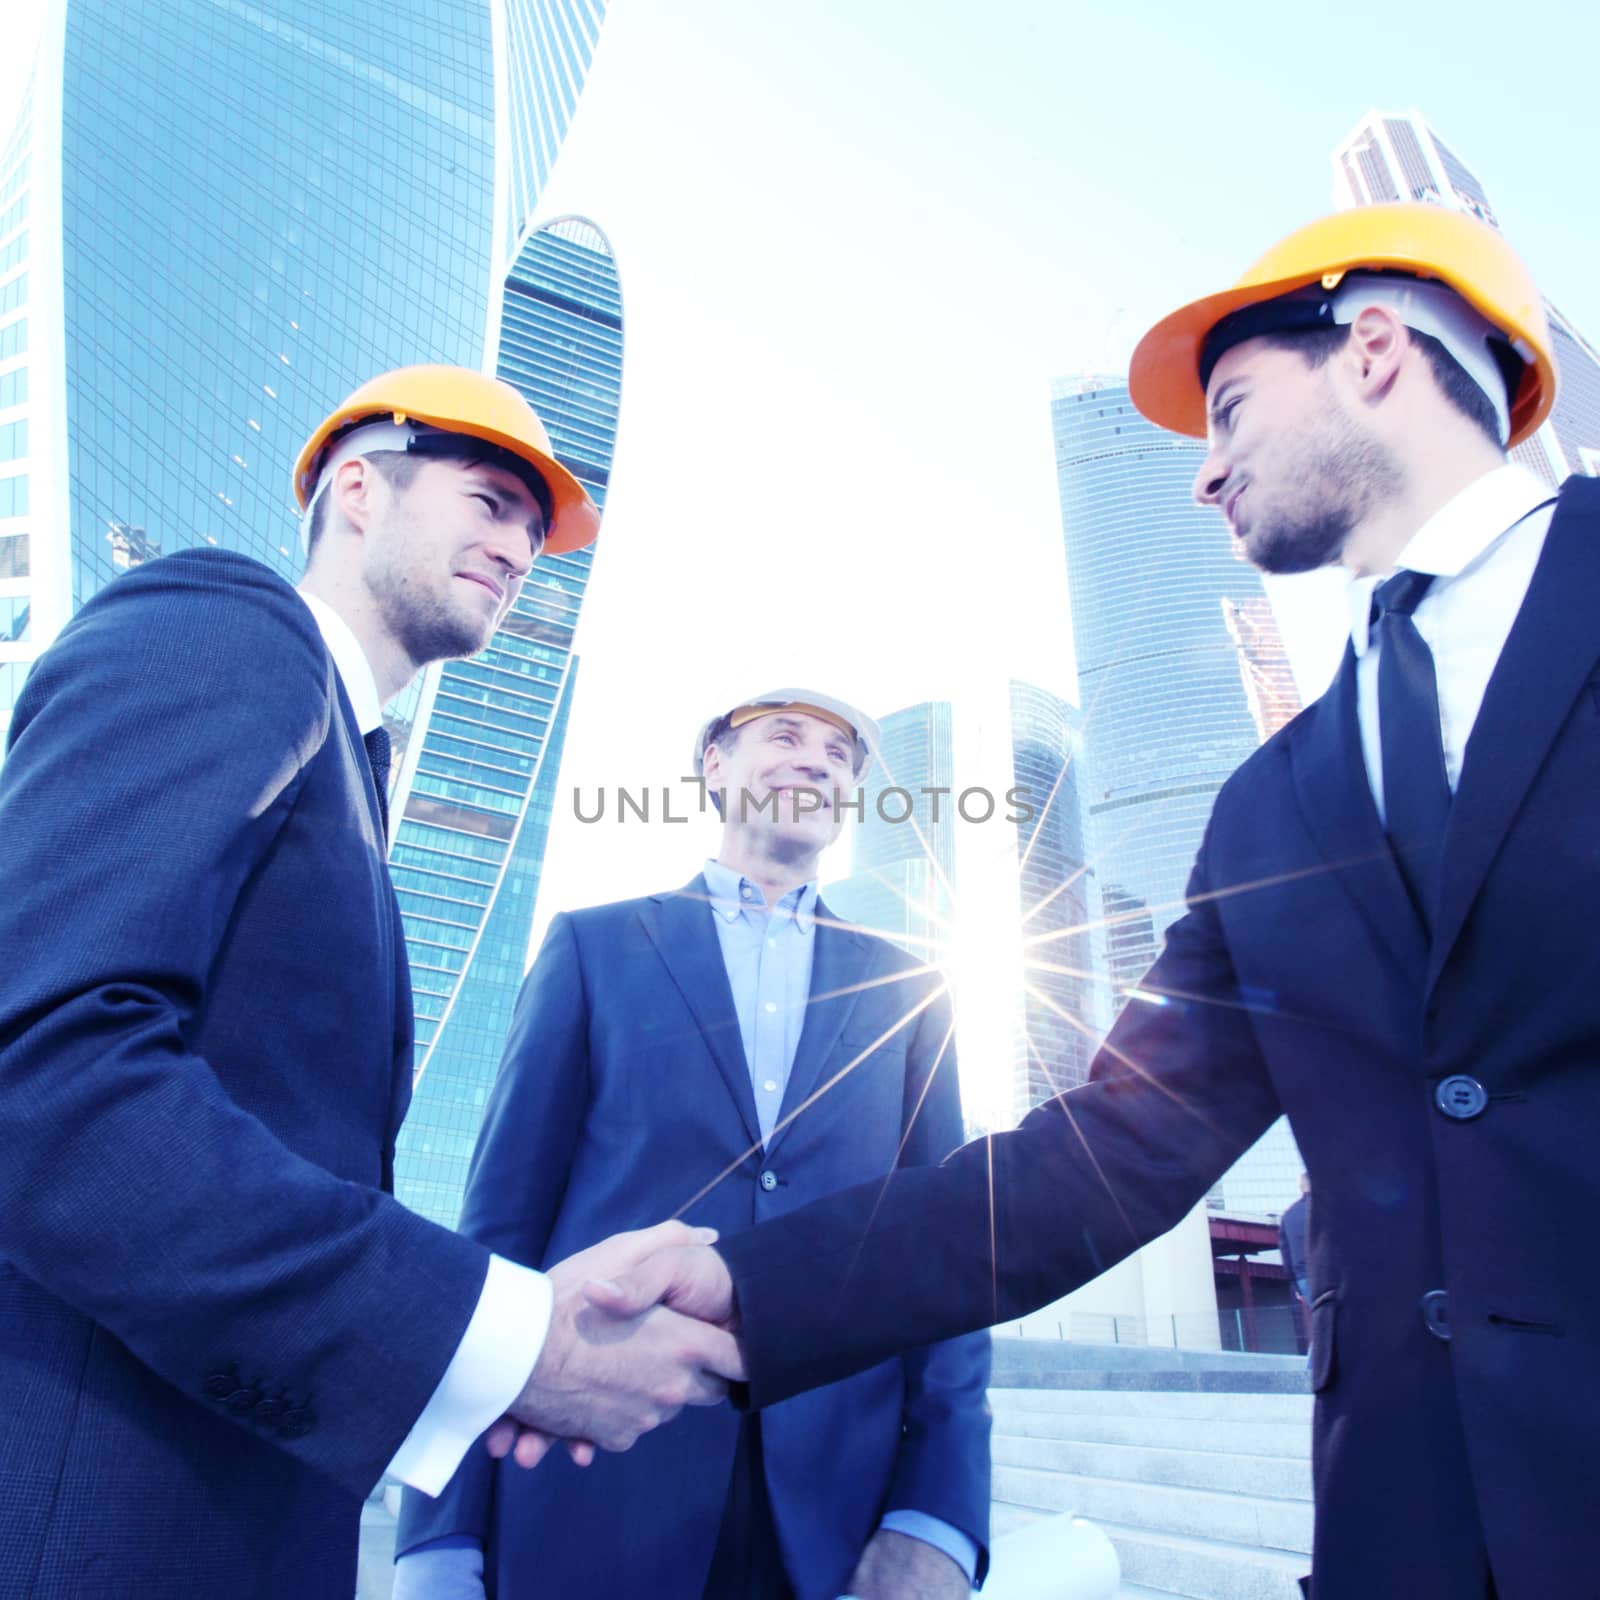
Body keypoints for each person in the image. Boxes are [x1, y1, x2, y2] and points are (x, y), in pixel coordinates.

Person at [590, 204, 1599, 1598]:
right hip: (1407, 1543)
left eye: (1231, 409)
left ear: (1373, 349)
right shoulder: (1273, 806)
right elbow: (1102, 1157)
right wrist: (748, 1285)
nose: (1206, 474)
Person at [0, 365, 739, 1598]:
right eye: (492, 500)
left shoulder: (353, 774)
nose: (518, 547)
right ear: (357, 486)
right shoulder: (227, 626)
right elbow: (45, 1071)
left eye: (534, 531)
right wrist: (497, 1337)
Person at [393, 689, 990, 1600]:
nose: (815, 762)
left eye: (840, 755)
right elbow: (500, 1235)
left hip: (839, 1514)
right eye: (784, 737)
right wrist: (439, 1537)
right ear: (714, 765)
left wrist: (938, 1518)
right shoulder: (592, 947)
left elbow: (946, 1252)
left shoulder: (912, 988)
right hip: (592, 1488)